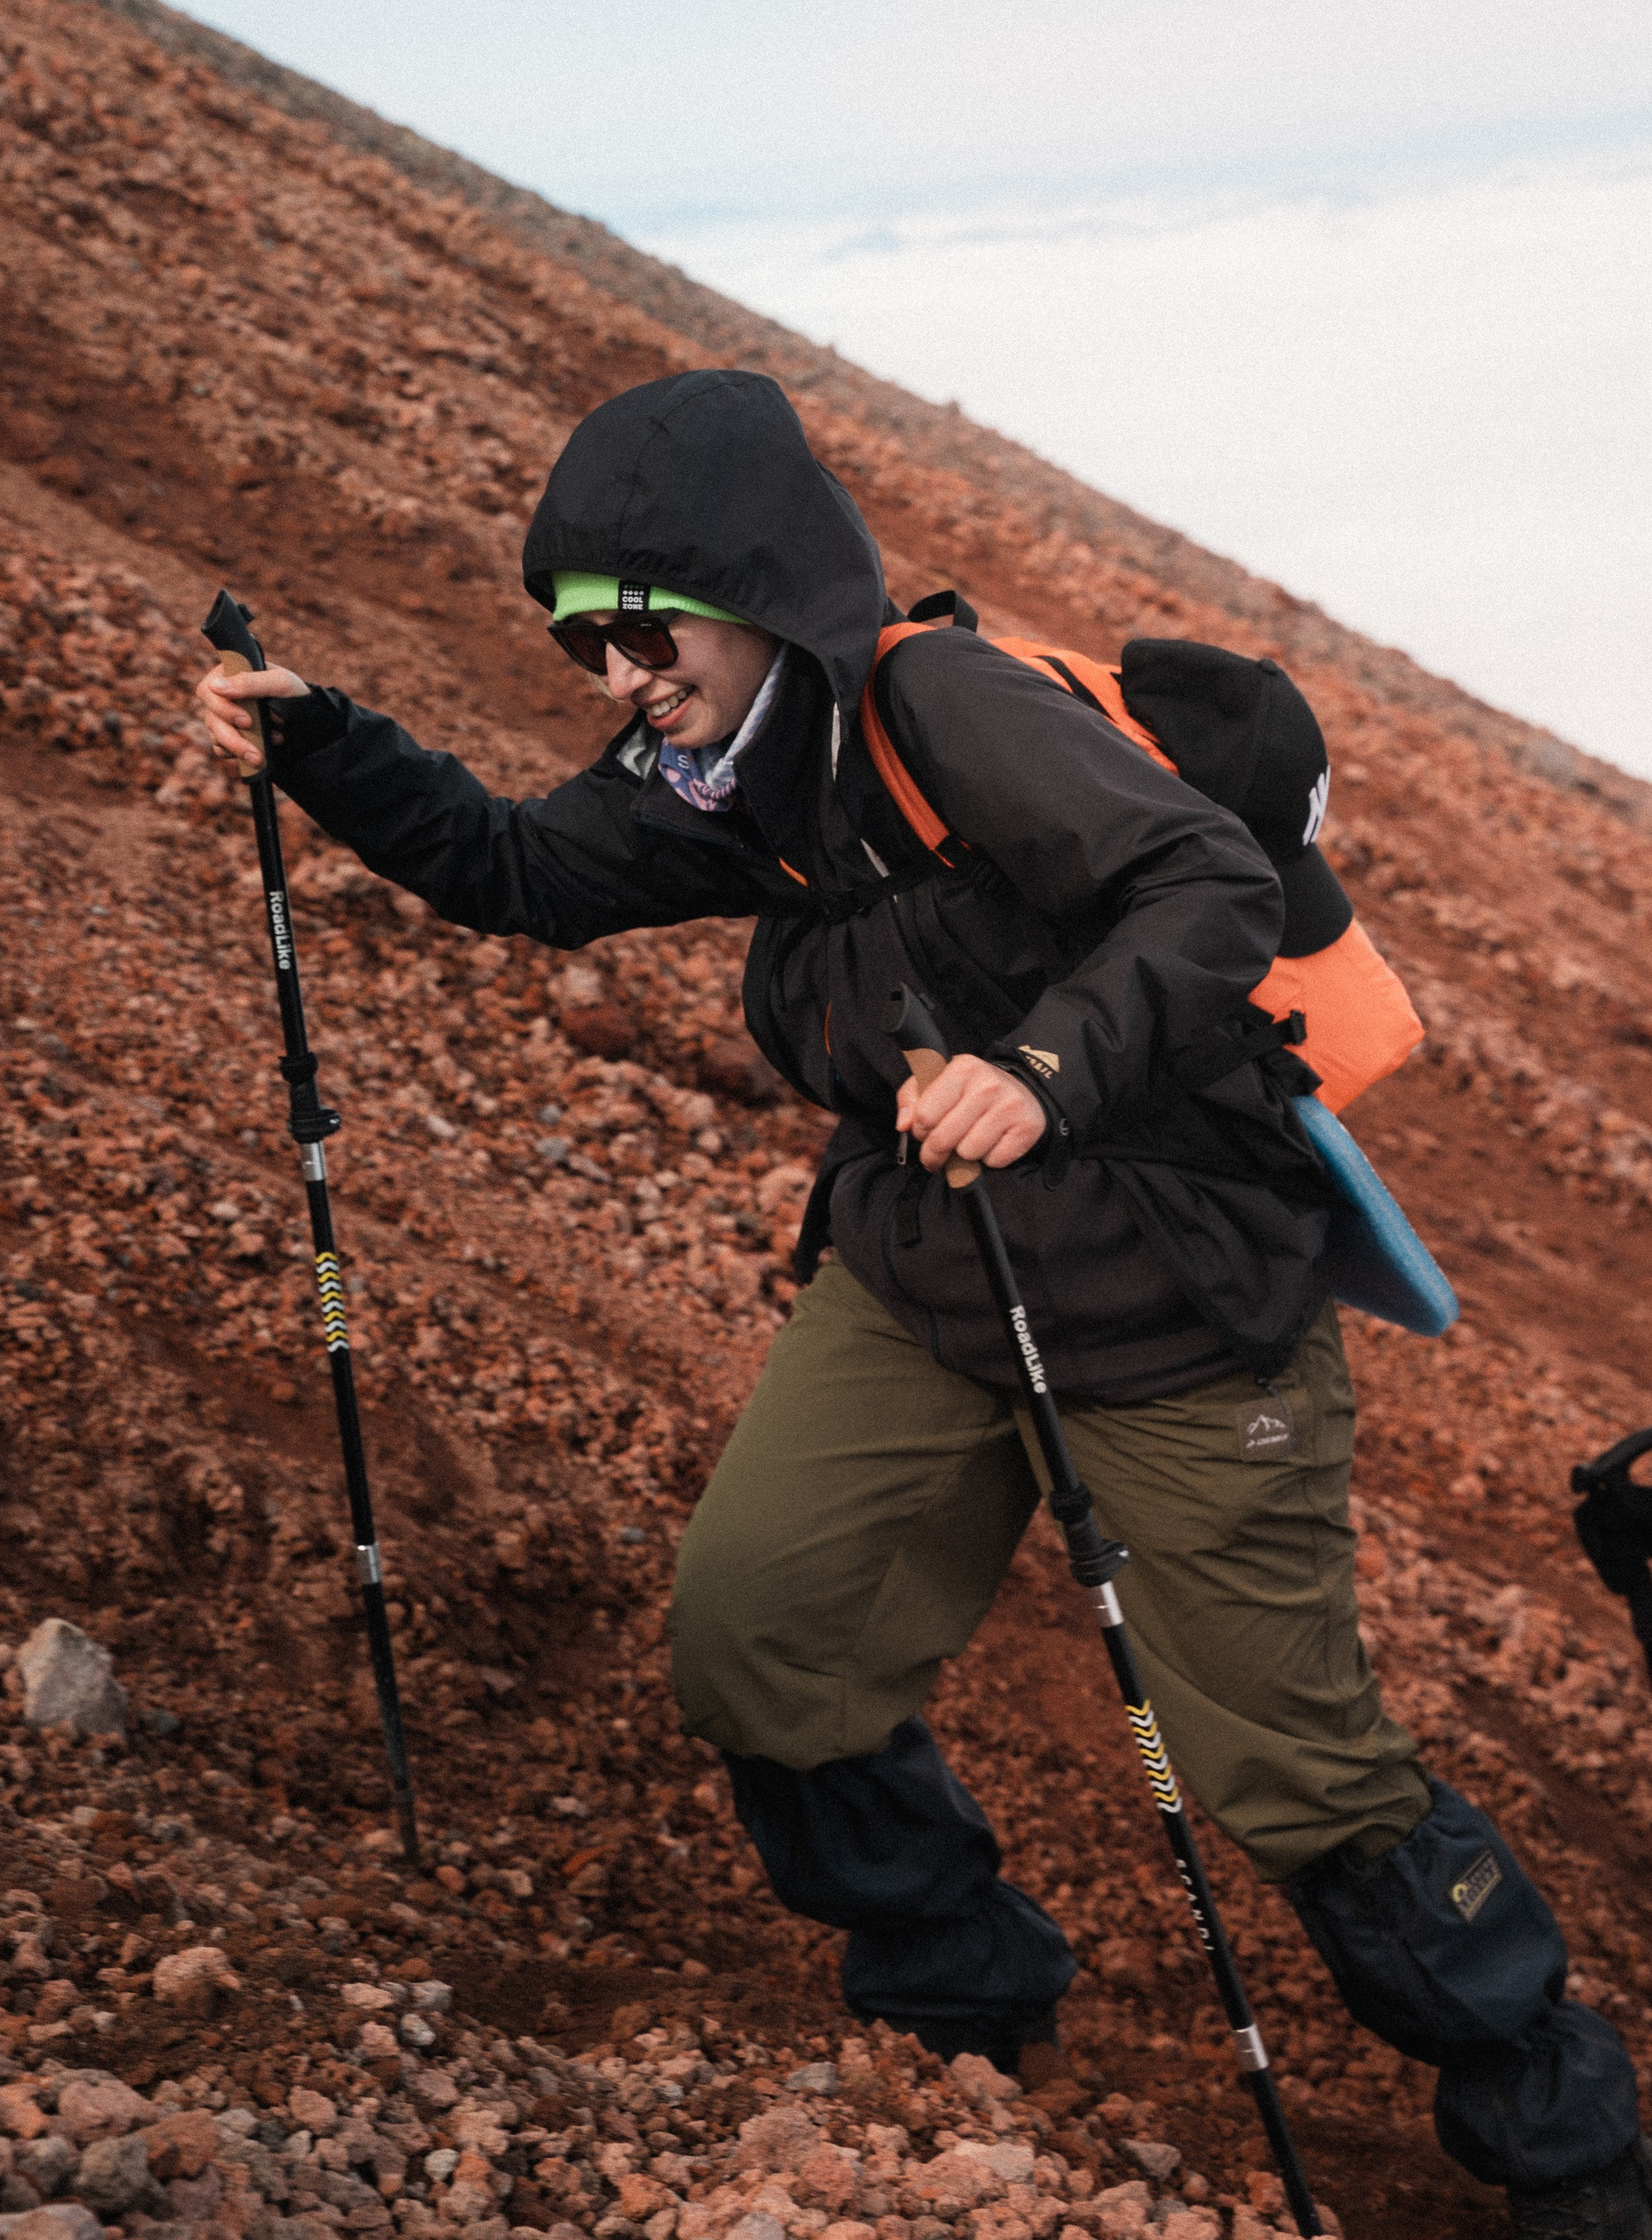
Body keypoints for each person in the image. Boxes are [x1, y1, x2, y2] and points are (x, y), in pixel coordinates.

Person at [195, 366, 1648, 2237]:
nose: (620, 675)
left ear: (754, 592)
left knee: (1286, 1765)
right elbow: (521, 870)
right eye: (583, 643)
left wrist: (1041, 1069)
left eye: (645, 629)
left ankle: (1566, 2146)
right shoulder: (725, 773)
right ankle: (956, 1997)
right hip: (929, 1265)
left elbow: (1201, 882)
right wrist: (325, 745)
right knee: (758, 1632)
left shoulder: (939, 708)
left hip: (1175, 1294)